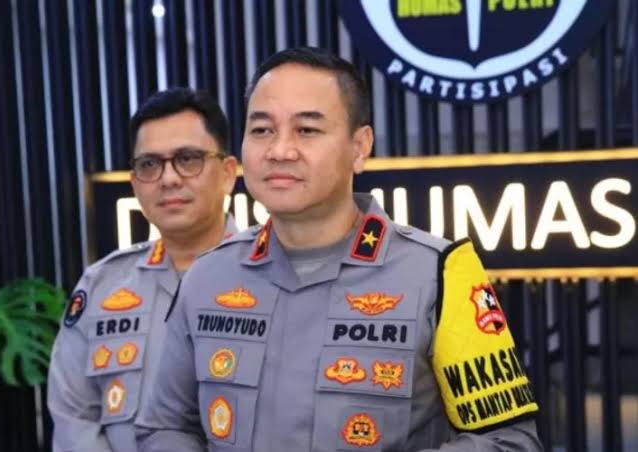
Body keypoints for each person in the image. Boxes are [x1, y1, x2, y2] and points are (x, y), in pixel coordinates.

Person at [136, 48, 542, 451]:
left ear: (359, 147)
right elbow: (165, 428)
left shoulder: (438, 275)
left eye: (306, 130)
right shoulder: (209, 277)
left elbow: (510, 442)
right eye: (261, 130)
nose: (279, 150)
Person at [47, 87, 238, 452]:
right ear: (135, 183)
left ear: (228, 173)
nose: (169, 179)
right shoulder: (102, 287)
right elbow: (75, 417)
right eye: (149, 164)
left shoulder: (273, 278)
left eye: (188, 159)